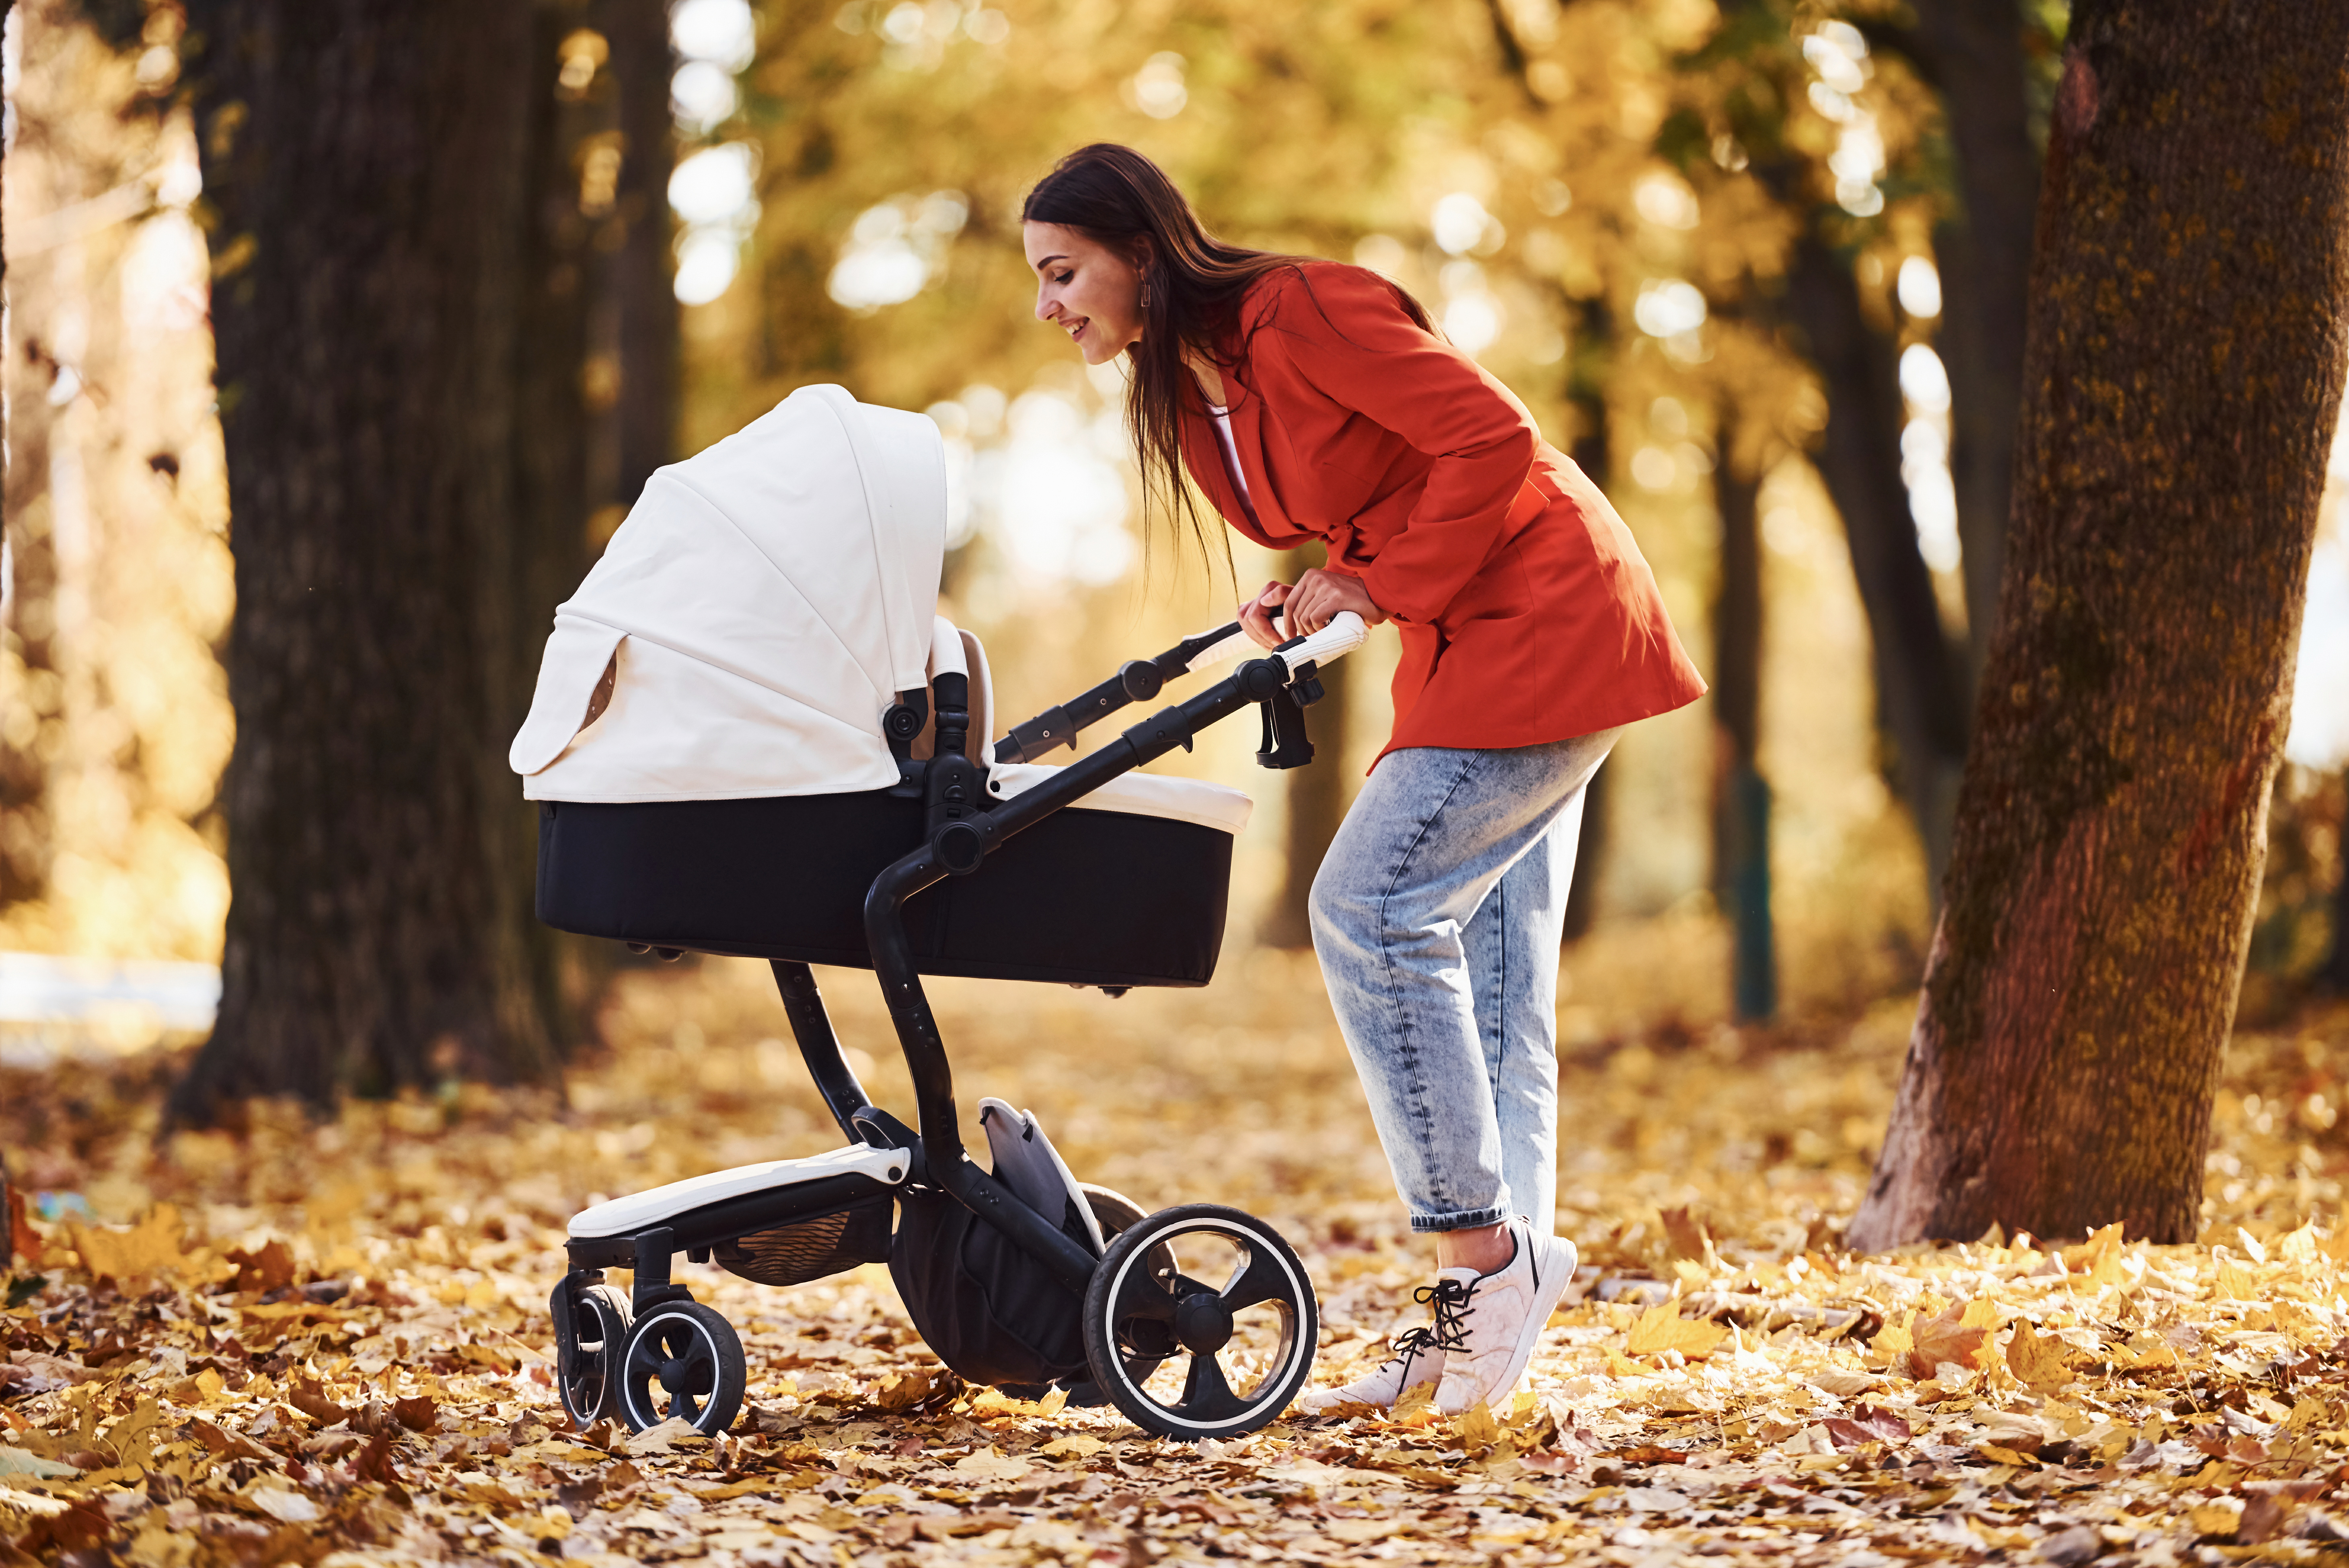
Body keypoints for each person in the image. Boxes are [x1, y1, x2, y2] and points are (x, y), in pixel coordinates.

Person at [1021, 144, 1705, 1416]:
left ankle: (1481, 1260)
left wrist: (1377, 583)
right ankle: (1480, 1329)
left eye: (1063, 272)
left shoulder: (1303, 310)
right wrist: (1311, 589)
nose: (1047, 304)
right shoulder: (1187, 399)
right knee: (1493, 989)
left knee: (1368, 905)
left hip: (1547, 610)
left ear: (1141, 252)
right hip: (1459, 637)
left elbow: (1489, 437)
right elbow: (1372, 498)